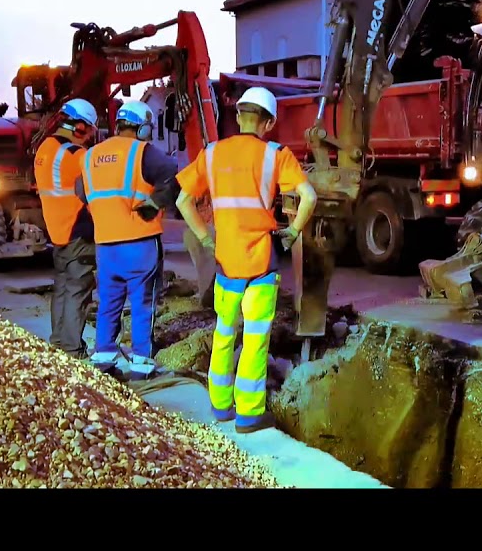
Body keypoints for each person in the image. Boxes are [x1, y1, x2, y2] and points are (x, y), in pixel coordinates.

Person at [174, 86, 317, 433]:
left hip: (226, 262)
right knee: (255, 335)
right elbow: (308, 196)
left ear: (238, 117)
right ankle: (249, 412)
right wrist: (294, 231)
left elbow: (182, 201)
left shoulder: (210, 153)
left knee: (224, 330)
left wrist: (207, 238)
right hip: (261, 262)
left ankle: (220, 404)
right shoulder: (275, 154)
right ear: (268, 123)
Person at [75, 99, 180, 379]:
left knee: (109, 302)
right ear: (143, 129)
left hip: (106, 246)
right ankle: (141, 365)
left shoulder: (90, 156)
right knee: (143, 304)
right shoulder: (142, 152)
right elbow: (172, 174)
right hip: (140, 241)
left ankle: (104, 358)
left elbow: (81, 192)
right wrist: (155, 202)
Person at [34, 98, 98, 360]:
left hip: (57, 231)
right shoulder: (76, 155)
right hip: (77, 231)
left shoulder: (44, 149)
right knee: (77, 291)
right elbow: (95, 190)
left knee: (62, 289)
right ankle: (72, 350)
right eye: (90, 130)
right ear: (80, 127)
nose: (90, 137)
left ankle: (59, 343)